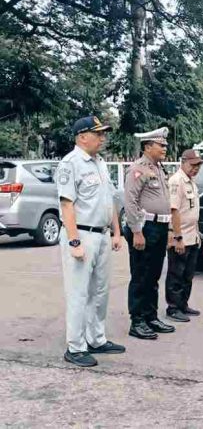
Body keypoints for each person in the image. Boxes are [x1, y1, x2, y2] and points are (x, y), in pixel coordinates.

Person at [57, 116, 126, 367]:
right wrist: (74, 242)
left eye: (103, 133)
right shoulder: (70, 163)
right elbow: (67, 205)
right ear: (82, 136)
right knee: (78, 292)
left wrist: (116, 232)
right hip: (82, 235)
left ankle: (96, 339)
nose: (103, 138)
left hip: (102, 234)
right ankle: (75, 347)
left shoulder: (100, 163)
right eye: (98, 134)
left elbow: (110, 200)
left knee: (100, 291)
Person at [124, 127, 176, 340]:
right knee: (140, 275)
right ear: (147, 147)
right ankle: (137, 321)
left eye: (165, 144)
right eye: (160, 145)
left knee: (154, 274)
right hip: (145, 227)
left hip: (160, 227)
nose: (165, 148)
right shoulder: (138, 169)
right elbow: (130, 201)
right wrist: (137, 231)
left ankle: (150, 316)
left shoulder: (159, 168)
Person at [165, 149, 203, 322]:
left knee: (188, 274)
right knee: (176, 274)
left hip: (192, 236)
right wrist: (177, 237)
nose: (196, 168)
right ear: (183, 162)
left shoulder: (191, 182)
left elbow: (192, 212)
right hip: (180, 237)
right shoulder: (176, 181)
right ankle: (173, 307)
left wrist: (197, 235)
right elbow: (174, 211)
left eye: (198, 165)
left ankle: (183, 304)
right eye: (193, 165)